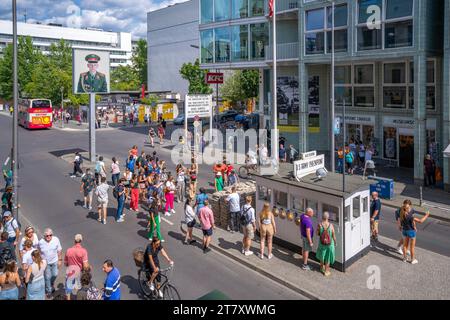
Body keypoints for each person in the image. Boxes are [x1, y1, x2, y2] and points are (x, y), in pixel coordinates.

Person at [399, 200, 430, 264]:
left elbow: (403, 221)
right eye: (408, 208)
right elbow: (420, 221)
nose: (409, 209)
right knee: (412, 247)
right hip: (411, 231)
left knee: (405, 246)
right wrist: (426, 215)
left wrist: (414, 226)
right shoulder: (410, 216)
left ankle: (404, 258)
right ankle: (412, 260)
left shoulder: (402, 212)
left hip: (404, 231)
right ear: (409, 205)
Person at [64, 234, 90, 300]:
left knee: (68, 289)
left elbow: (65, 263)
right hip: (79, 272)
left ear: (74, 240)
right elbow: (85, 266)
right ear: (81, 240)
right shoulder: (83, 251)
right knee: (80, 287)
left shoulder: (68, 250)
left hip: (70, 271)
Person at [38, 228, 62, 299]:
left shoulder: (56, 239)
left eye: (50, 235)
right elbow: (38, 251)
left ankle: (50, 284)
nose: (49, 237)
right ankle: (49, 292)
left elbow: (59, 250)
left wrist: (60, 260)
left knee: (55, 274)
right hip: (46, 263)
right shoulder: (41, 242)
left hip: (54, 261)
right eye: (47, 236)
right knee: (47, 277)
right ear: (44, 236)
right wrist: (40, 261)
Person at [316, 212, 337, 277]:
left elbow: (317, 234)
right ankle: (326, 271)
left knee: (322, 255)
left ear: (323, 217)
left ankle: (321, 267)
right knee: (328, 257)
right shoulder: (331, 225)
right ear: (328, 217)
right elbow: (333, 236)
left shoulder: (319, 225)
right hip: (330, 244)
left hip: (322, 244)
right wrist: (335, 242)